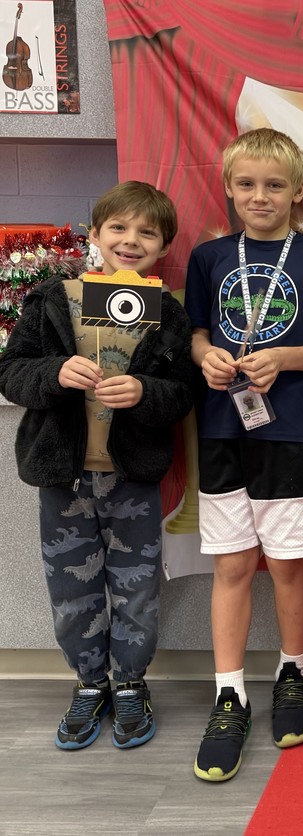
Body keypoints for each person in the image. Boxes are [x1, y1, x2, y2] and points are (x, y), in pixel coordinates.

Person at [0, 181, 193, 750]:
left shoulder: (168, 312)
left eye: (147, 233)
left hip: (132, 475)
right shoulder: (52, 298)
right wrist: (55, 373)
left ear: (164, 246)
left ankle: (130, 682)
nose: (131, 240)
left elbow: (182, 393)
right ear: (96, 234)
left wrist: (145, 391)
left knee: (137, 589)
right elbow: (10, 373)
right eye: (119, 228)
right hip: (63, 474)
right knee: (71, 588)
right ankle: (89, 682)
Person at [185, 128, 303, 782]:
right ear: (228, 187)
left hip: (293, 430)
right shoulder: (209, 257)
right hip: (223, 428)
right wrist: (207, 356)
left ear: (297, 191)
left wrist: (283, 357)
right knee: (231, 563)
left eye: (274, 185)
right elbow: (197, 332)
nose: (260, 196)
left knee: (287, 563)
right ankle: (229, 693)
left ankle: (293, 672)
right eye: (247, 184)